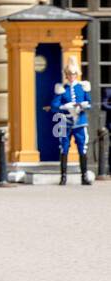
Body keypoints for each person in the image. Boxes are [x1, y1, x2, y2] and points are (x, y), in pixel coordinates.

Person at [52, 56, 92, 185]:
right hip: (65, 122)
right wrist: (65, 106)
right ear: (66, 75)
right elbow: (54, 105)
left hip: (80, 121)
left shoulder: (82, 87)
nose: (71, 76)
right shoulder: (62, 88)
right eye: (69, 74)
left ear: (77, 74)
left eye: (73, 74)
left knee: (82, 148)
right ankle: (63, 177)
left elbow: (89, 102)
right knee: (64, 148)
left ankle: (84, 176)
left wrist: (83, 105)